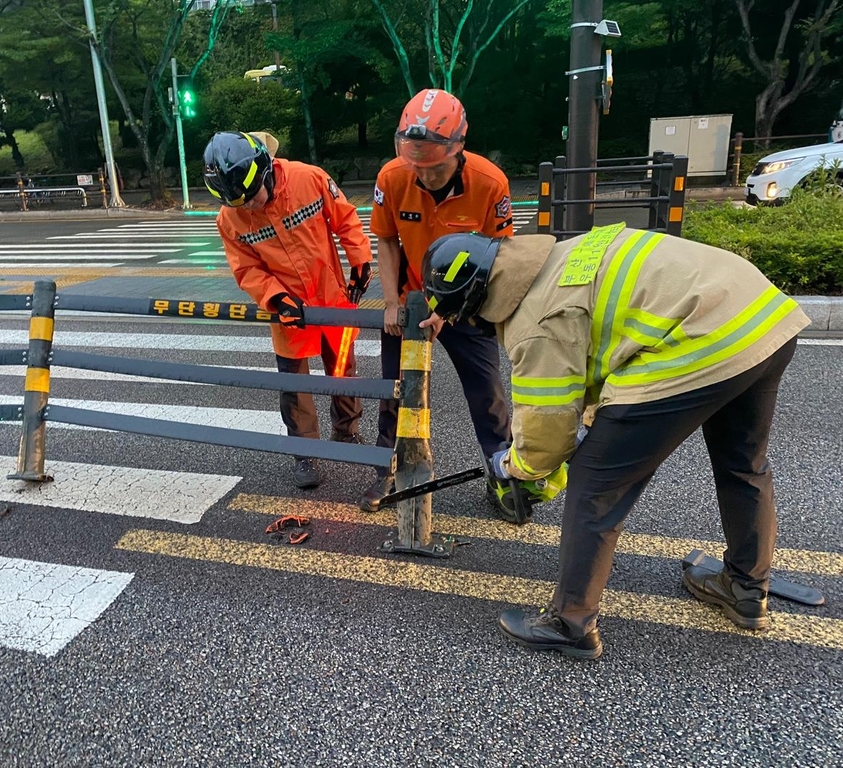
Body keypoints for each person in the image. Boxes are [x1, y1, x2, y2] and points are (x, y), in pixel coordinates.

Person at [421, 224, 809, 659]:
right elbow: (605, 354)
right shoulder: (557, 257)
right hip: (758, 314)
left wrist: (516, 468)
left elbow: (546, 434)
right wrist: (589, 423)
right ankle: (744, 587)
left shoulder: (535, 323)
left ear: (477, 307)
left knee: (594, 483)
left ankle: (570, 622)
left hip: (697, 341)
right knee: (742, 463)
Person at [362, 88, 516, 515]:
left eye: (433, 167)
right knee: (392, 388)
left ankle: (504, 477)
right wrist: (391, 303)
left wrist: (447, 311)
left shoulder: (490, 184)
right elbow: (388, 240)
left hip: (467, 302)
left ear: (458, 149)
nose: (424, 176)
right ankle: (386, 468)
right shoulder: (392, 177)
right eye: (416, 165)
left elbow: (496, 259)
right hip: (411, 301)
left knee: (487, 394)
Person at [204, 131, 374, 489]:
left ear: (265, 172)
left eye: (252, 198)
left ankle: (347, 431)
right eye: (239, 204)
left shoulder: (308, 178)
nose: (248, 207)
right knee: (294, 385)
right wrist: (275, 298)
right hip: (287, 307)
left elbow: (345, 218)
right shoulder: (230, 218)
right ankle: (304, 454)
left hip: (331, 296)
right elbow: (245, 268)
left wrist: (360, 260)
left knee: (343, 368)